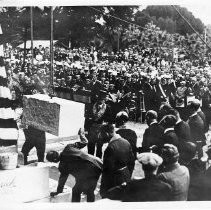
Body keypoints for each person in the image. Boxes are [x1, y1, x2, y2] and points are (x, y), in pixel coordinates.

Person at [106, 152, 172, 201]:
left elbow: (109, 193)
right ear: (157, 168)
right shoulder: (166, 188)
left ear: (143, 168)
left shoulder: (132, 185)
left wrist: (123, 185)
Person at [100, 124, 135, 198]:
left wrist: (103, 190)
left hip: (113, 183)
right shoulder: (126, 142)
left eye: (102, 135)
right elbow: (132, 163)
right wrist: (127, 176)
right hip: (126, 177)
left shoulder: (110, 148)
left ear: (107, 133)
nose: (101, 137)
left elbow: (107, 172)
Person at [87, 90, 112, 158]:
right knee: (90, 146)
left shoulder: (107, 108)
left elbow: (110, 120)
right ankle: (90, 160)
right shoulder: (92, 106)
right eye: (99, 99)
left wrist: (107, 127)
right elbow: (87, 118)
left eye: (102, 99)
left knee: (99, 147)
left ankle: (98, 161)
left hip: (101, 129)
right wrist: (87, 129)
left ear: (104, 100)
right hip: (92, 129)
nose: (101, 101)